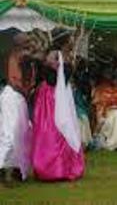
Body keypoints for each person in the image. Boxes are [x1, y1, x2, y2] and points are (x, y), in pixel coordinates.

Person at [32, 28, 84, 181]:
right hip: (53, 97)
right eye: (70, 39)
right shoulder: (55, 55)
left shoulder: (57, 54)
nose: (72, 41)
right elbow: (55, 76)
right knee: (56, 129)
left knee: (57, 130)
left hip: (57, 94)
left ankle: (59, 167)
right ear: (65, 40)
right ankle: (55, 168)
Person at [0, 34, 35, 184]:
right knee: (10, 133)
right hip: (12, 96)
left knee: (23, 134)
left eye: (29, 41)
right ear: (18, 43)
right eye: (26, 41)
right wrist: (26, 94)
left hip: (21, 98)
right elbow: (14, 81)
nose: (29, 43)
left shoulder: (27, 59)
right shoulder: (14, 57)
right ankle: (3, 167)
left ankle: (16, 169)